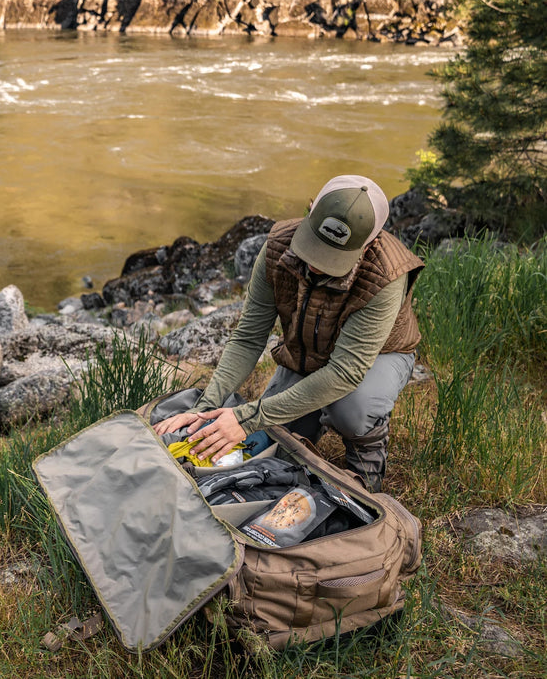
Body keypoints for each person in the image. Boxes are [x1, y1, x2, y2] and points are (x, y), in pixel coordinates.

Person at [153, 174, 424, 492]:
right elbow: (248, 338)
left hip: (380, 355)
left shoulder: (386, 275)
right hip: (309, 350)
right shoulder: (276, 248)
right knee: (271, 439)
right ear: (311, 210)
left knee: (351, 410)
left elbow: (345, 373)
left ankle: (367, 460)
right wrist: (203, 407)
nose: (319, 266)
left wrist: (247, 417)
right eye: (315, 248)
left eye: (335, 258)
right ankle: (309, 418)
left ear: (370, 242)